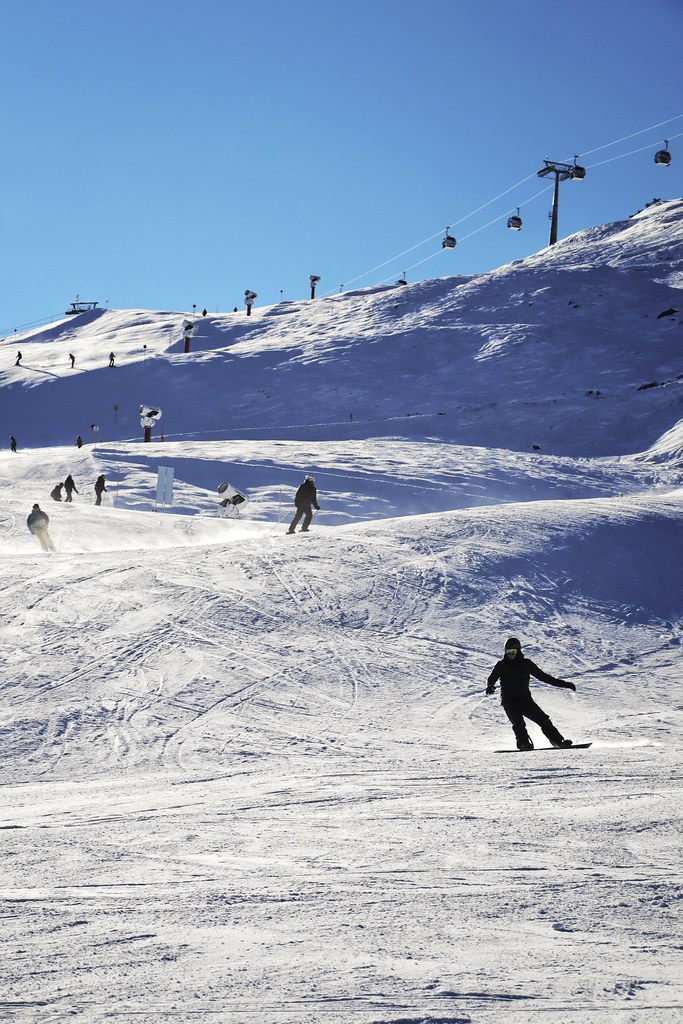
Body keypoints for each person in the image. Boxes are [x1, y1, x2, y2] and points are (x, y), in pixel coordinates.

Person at [486, 637, 576, 750]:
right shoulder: (501, 665)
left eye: (513, 652)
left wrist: (564, 684)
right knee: (518, 724)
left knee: (543, 720)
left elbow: (544, 677)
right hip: (509, 702)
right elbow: (492, 678)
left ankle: (559, 741)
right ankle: (524, 744)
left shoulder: (526, 664)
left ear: (518, 651)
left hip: (525, 700)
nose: (510, 655)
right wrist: (490, 686)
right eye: (508, 652)